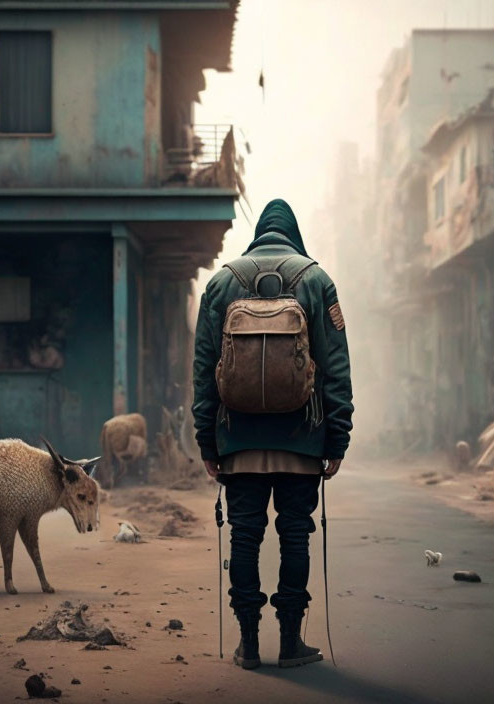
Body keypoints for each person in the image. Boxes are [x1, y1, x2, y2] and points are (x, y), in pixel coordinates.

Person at [192, 198, 353, 669]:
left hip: (237, 441)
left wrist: (207, 440)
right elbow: (337, 368)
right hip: (303, 440)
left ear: (259, 233)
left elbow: (204, 370)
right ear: (293, 234)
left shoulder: (222, 282)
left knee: (244, 536)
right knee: (295, 536)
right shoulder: (318, 280)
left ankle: (248, 643)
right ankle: (289, 643)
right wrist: (337, 438)